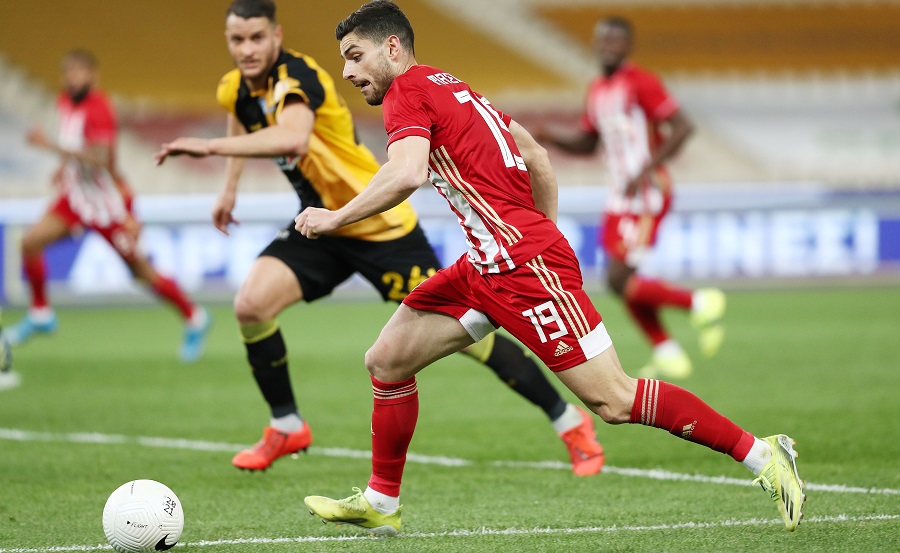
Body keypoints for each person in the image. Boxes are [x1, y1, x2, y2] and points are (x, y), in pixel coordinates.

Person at [299, 0, 804, 536]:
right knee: (387, 360)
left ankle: (762, 453)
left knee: (614, 399)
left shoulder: (406, 92)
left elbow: (406, 173)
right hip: (485, 267)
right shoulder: (452, 86)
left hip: (522, 267)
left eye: (355, 56)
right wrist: (545, 230)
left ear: (392, 47)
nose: (347, 71)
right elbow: (536, 155)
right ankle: (381, 502)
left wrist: (336, 218)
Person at [153, 0, 604, 476]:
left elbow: (292, 138)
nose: (247, 49)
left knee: (472, 338)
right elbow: (239, 114)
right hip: (321, 222)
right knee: (251, 305)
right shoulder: (235, 87)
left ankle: (568, 421)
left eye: (256, 38)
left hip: (379, 225)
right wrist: (228, 189)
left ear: (276, 37)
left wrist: (206, 146)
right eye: (237, 40)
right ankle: (286, 425)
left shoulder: (299, 78)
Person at [534, 17, 724, 381]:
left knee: (619, 279)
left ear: (627, 46)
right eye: (602, 40)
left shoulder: (641, 83)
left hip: (646, 193)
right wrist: (551, 136)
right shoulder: (597, 90)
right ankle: (668, 352)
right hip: (621, 196)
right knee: (618, 281)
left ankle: (700, 302)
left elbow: (683, 127)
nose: (607, 46)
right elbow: (589, 142)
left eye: (615, 41)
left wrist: (645, 169)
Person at [6, 50, 210, 363]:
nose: (72, 78)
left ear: (93, 75)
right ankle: (40, 313)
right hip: (75, 198)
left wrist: (51, 147)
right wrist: (63, 167)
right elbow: (75, 145)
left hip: (106, 204)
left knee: (139, 271)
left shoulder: (100, 109)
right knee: (30, 242)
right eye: (68, 72)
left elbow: (100, 159)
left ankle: (194, 316)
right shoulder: (64, 102)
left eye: (79, 72)